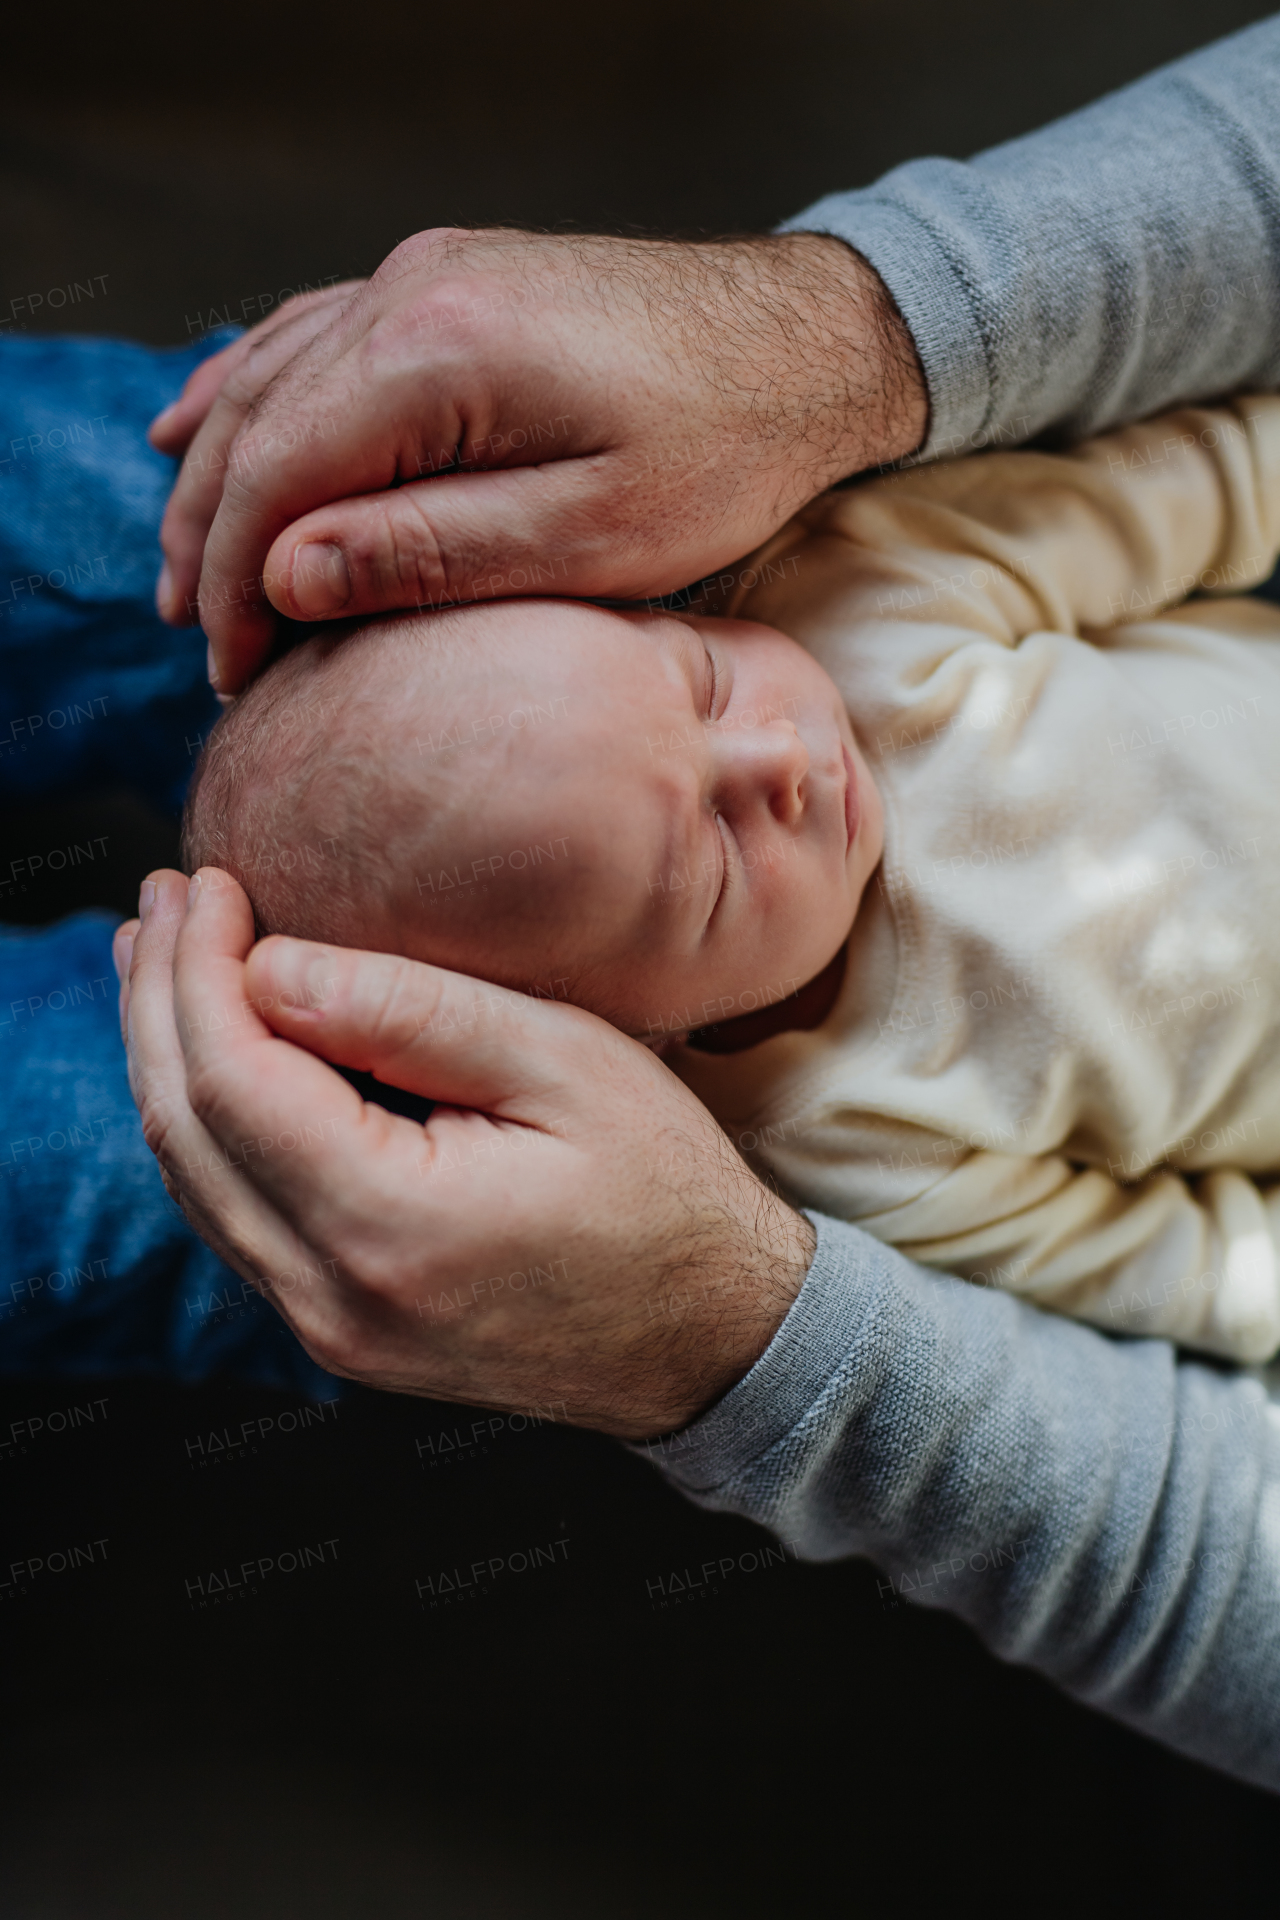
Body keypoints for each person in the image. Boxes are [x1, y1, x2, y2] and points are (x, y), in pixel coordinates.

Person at [7, 14, 1280, 1787]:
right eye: (706, 852)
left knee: (103, 1157)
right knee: (171, 493)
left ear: (644, 1055)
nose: (774, 761)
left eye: (706, 712)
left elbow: (1146, 1252)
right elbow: (1159, 503)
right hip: (594, 573)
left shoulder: (832, 1134)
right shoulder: (845, 594)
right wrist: (842, 336)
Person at [182, 390, 1280, 1365]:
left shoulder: (859, 598)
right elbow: (1169, 1265)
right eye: (702, 860)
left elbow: (1186, 492)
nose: (780, 760)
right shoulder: (831, 1135)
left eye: (701, 679)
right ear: (633, 1041)